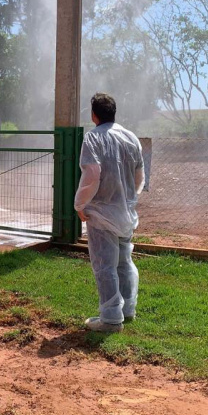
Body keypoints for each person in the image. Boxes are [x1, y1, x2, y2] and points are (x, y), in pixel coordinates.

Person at [74, 93, 145, 333]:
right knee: (124, 262)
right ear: (113, 113)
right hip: (125, 213)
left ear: (93, 115)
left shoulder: (93, 138)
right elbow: (139, 176)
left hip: (101, 212)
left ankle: (111, 319)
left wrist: (80, 204)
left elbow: (92, 175)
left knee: (105, 265)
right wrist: (127, 200)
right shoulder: (131, 138)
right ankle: (127, 309)